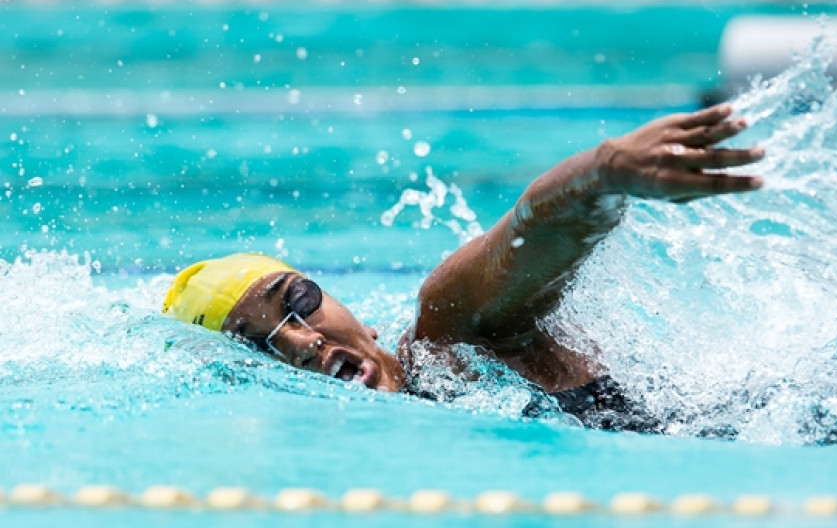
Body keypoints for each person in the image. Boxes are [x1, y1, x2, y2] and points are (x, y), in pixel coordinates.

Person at [163, 104, 764, 432]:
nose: (299, 340)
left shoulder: (449, 339)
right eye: (258, 344)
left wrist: (603, 172)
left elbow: (524, 235)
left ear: (357, 316)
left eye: (296, 300)